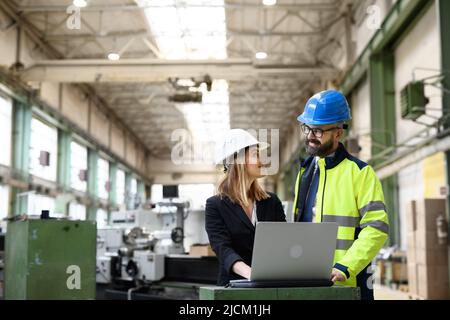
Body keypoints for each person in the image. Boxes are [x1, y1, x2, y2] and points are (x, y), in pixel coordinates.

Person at [294, 90, 389, 300]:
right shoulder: (305, 171)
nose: (310, 136)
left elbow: (376, 228)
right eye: (307, 128)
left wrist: (345, 266)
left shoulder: (360, 173)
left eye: (318, 130)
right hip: (308, 280)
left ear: (338, 133)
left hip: (348, 281)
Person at [205, 129, 286, 286]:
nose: (262, 162)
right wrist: (250, 273)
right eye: (256, 155)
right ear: (238, 161)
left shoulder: (272, 202)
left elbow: (282, 242)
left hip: (271, 283)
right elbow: (223, 249)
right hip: (233, 286)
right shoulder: (215, 205)